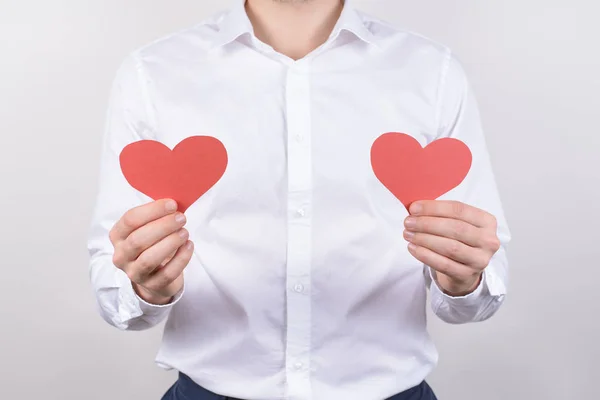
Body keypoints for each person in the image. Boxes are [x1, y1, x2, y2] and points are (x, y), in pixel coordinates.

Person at [87, 0, 511, 399]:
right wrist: (145, 287)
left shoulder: (432, 72)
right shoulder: (152, 73)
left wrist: (463, 281)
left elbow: (480, 292)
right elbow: (116, 291)